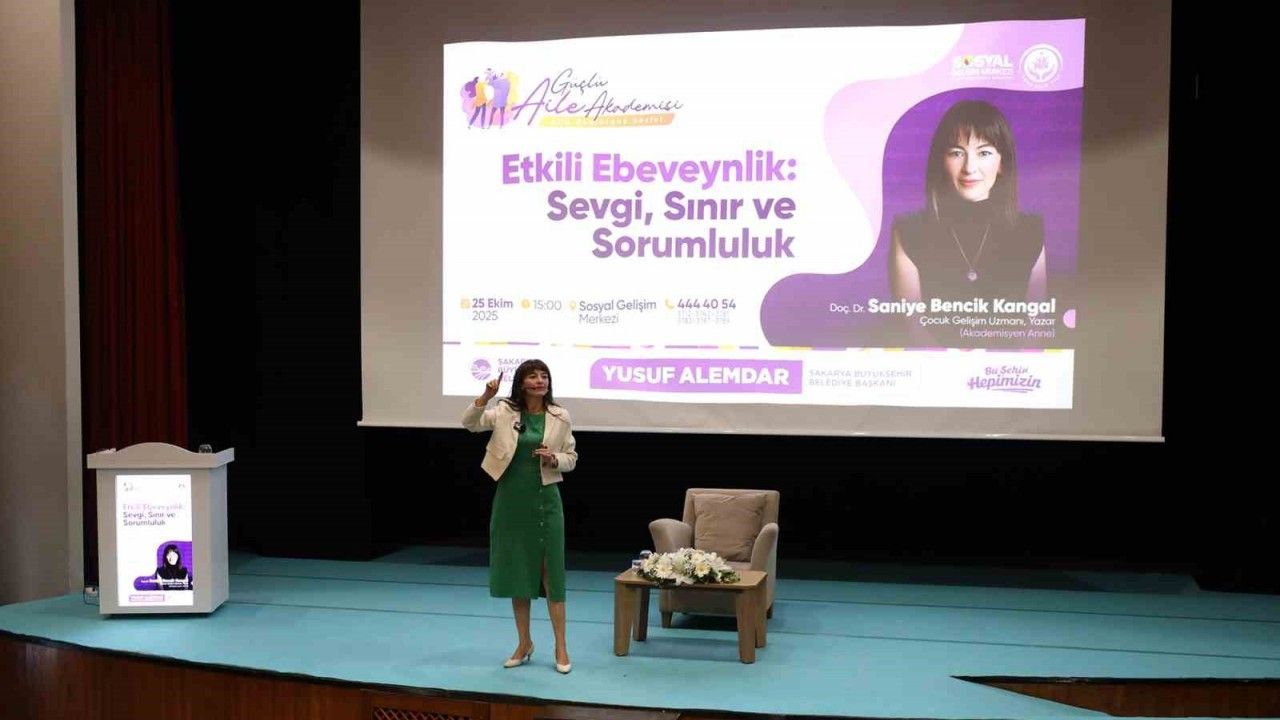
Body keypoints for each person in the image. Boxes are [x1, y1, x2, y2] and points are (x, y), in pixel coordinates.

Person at [462, 359, 578, 674]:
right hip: (511, 500)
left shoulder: (560, 415)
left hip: (546, 500)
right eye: (533, 376)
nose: (540, 381)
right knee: (518, 573)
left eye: (544, 376)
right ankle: (524, 643)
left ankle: (561, 646)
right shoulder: (504, 411)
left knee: (551, 575)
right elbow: (469, 423)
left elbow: (571, 457)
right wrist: (485, 396)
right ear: (522, 383)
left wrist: (554, 459)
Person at [890, 100, 1047, 310]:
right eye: (957, 153)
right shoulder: (909, 230)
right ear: (941, 161)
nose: (969, 168)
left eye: (984, 153)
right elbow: (913, 326)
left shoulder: (1030, 230)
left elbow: (1035, 324)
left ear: (1002, 163)